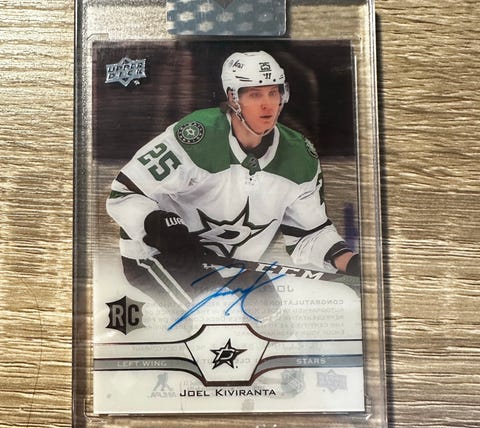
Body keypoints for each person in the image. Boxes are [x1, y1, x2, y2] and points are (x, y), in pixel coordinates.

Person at [106, 51, 360, 317]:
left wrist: (350, 262)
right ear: (232, 98)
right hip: (160, 257)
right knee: (211, 314)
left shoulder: (300, 157)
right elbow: (124, 194)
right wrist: (159, 226)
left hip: (235, 267)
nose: (268, 105)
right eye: (255, 95)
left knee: (278, 325)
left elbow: (310, 234)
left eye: (273, 93)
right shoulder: (197, 137)